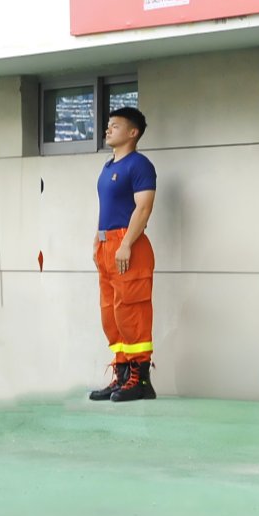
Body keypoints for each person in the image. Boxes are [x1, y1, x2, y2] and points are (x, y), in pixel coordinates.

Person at [90, 105, 158, 403]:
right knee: (111, 312)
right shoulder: (108, 167)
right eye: (108, 125)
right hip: (107, 245)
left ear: (133, 132)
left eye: (115, 126)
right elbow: (107, 208)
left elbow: (143, 208)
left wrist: (127, 243)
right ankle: (122, 375)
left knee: (132, 310)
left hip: (128, 245)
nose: (108, 129)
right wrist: (98, 240)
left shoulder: (139, 165)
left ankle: (140, 380)